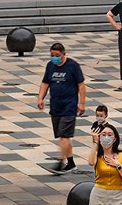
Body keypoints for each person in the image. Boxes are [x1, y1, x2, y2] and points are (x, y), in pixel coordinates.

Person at [37, 43, 86, 174]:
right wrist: (40, 98)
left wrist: (82, 103)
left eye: (57, 55)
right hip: (55, 106)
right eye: (52, 55)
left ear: (64, 54)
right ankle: (71, 163)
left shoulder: (73, 66)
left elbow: (81, 85)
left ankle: (60, 163)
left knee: (64, 136)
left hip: (69, 105)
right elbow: (45, 82)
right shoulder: (50, 66)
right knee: (63, 137)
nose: (54, 58)